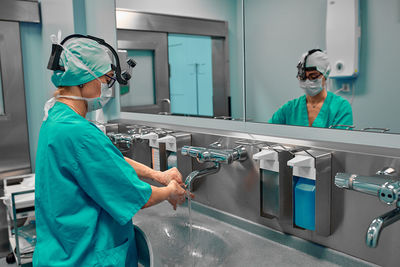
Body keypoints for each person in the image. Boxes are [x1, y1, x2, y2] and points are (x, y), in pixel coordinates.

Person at [33, 36, 187, 266]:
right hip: (83, 256)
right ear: (84, 79)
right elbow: (136, 197)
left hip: (59, 248)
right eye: (105, 79)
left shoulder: (57, 117)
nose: (107, 87)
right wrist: (170, 192)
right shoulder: (78, 133)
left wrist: (158, 175)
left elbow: (108, 161)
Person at [268, 49, 353, 129]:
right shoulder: (290, 108)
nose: (307, 81)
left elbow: (340, 142)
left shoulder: (340, 107)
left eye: (313, 76)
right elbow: (268, 131)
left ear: (325, 75)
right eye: (303, 76)